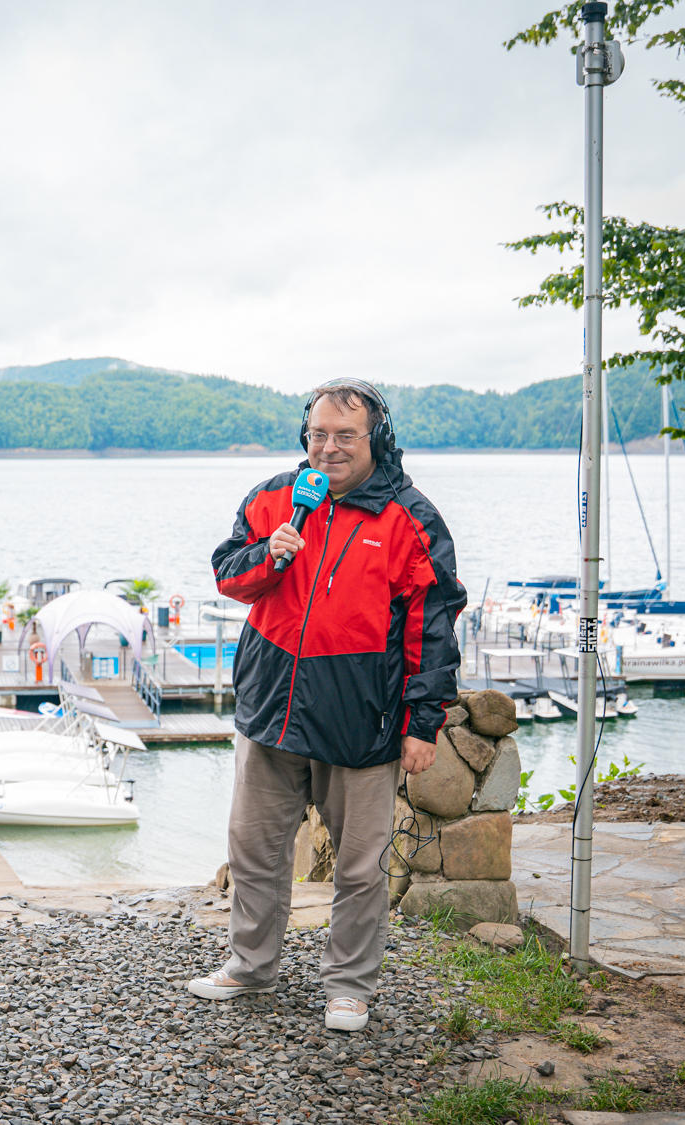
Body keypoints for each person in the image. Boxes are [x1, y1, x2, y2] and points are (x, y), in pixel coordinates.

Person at [189, 378, 465, 1032]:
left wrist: (422, 722)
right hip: (271, 709)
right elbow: (230, 574)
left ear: (377, 438)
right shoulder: (273, 498)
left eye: (346, 435)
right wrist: (270, 553)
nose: (329, 447)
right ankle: (250, 966)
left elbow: (434, 625)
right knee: (254, 848)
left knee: (359, 864)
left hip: (361, 720)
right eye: (318, 434)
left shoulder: (410, 516)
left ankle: (348, 986)